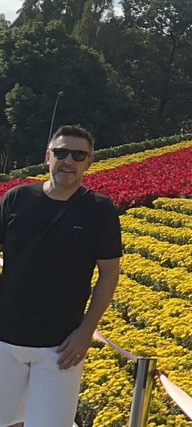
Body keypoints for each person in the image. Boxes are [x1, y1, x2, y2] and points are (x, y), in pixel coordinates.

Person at [0, 125, 122, 427]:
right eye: (61, 152)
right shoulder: (17, 198)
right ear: (48, 156)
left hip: (61, 348)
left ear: (89, 162)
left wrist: (85, 331)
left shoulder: (100, 210)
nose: (68, 160)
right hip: (4, 339)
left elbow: (109, 274)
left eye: (78, 155)